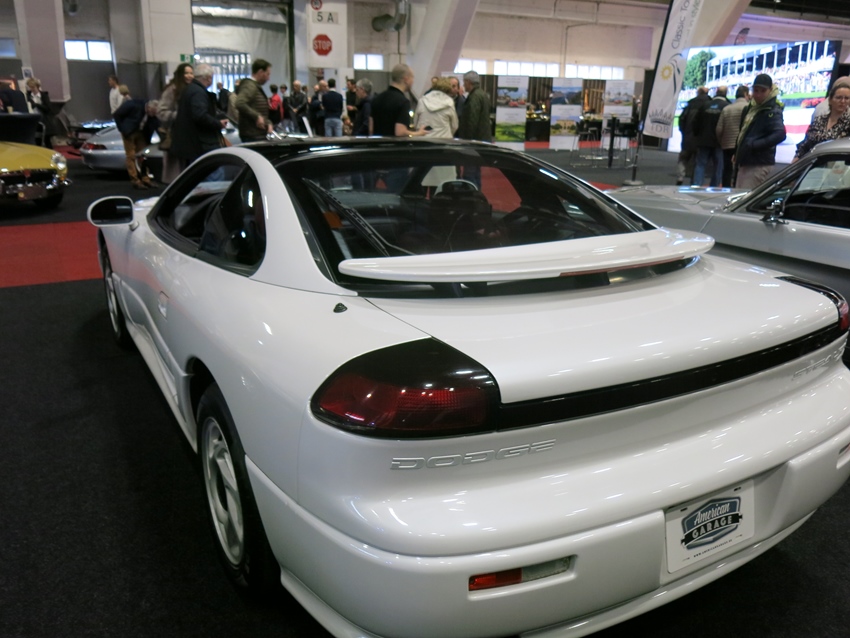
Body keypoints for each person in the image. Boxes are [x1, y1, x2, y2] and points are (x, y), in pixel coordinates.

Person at [169, 64, 229, 170]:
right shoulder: (198, 93)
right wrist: (218, 123)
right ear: (208, 78)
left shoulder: (188, 89)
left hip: (189, 143)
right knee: (214, 174)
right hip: (201, 144)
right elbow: (200, 115)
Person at [734, 73, 786, 189]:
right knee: (740, 194)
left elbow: (780, 134)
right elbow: (743, 132)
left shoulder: (772, 110)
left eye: (763, 91)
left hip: (759, 163)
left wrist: (754, 145)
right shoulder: (750, 108)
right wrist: (737, 151)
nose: (758, 95)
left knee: (745, 195)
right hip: (747, 160)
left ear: (770, 90)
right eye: (756, 90)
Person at [112, 85, 156, 189]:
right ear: (149, 108)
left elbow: (155, 125)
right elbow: (117, 114)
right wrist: (122, 129)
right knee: (131, 156)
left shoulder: (152, 113)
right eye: (152, 113)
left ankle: (145, 179)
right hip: (129, 132)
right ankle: (135, 180)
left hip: (141, 133)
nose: (153, 115)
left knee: (144, 155)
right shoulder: (133, 104)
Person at [157, 62, 194, 183]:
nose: (189, 76)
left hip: (188, 137)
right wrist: (179, 115)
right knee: (177, 174)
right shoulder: (171, 90)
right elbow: (161, 112)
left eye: (191, 73)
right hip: (175, 136)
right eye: (186, 73)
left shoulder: (192, 89)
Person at [794, 83, 850, 161]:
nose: (843, 101)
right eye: (839, 97)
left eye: (846, 98)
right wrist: (795, 160)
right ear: (830, 100)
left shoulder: (848, 123)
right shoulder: (819, 120)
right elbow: (805, 144)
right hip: (812, 163)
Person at [691, 86, 729, 187]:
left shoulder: (705, 105)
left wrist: (697, 135)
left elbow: (696, 122)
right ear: (726, 93)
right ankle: (714, 188)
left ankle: (697, 185)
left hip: (703, 140)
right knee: (718, 166)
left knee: (700, 164)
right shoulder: (726, 106)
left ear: (716, 92)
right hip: (719, 142)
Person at [369, 64, 417, 137]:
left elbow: (371, 129)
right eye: (412, 77)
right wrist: (418, 133)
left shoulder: (376, 98)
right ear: (406, 79)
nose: (413, 81)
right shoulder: (403, 102)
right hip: (394, 144)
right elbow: (400, 132)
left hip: (377, 143)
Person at [716, 85, 749, 187]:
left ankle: (725, 190)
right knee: (740, 171)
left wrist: (721, 141)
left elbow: (719, 129)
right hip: (742, 144)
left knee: (727, 170)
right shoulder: (749, 108)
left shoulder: (727, 109)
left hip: (727, 143)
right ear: (746, 94)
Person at [676, 87, 709, 185]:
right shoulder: (708, 104)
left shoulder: (690, 103)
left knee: (683, 158)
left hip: (687, 136)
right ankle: (695, 181)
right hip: (700, 139)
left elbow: (682, 120)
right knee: (698, 161)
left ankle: (680, 177)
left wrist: (683, 132)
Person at [235, 59, 273, 142]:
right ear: (260, 72)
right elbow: (240, 103)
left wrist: (267, 122)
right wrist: (257, 116)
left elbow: (258, 109)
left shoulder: (253, 86)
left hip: (256, 134)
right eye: (267, 74)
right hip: (252, 135)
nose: (268, 78)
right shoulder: (250, 86)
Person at [457, 70, 492, 142]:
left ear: (468, 82)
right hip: (483, 136)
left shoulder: (474, 96)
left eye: (464, 82)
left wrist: (467, 139)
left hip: (476, 139)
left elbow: (472, 120)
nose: (463, 85)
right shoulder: (482, 94)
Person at [25, 78, 54, 147]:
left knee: (47, 140)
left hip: (43, 119)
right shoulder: (28, 96)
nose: (31, 89)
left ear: (37, 86)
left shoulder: (44, 96)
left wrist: (37, 104)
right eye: (30, 87)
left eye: (33, 87)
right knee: (36, 140)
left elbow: (48, 109)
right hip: (33, 119)